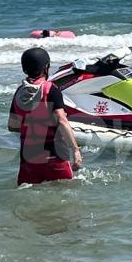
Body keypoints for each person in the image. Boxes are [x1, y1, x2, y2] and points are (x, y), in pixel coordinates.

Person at [8, 47, 83, 185]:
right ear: (46, 67)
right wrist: (76, 150)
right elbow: (62, 120)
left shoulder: (19, 92)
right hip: (55, 157)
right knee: (65, 194)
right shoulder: (50, 89)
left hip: (28, 161)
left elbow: (12, 126)